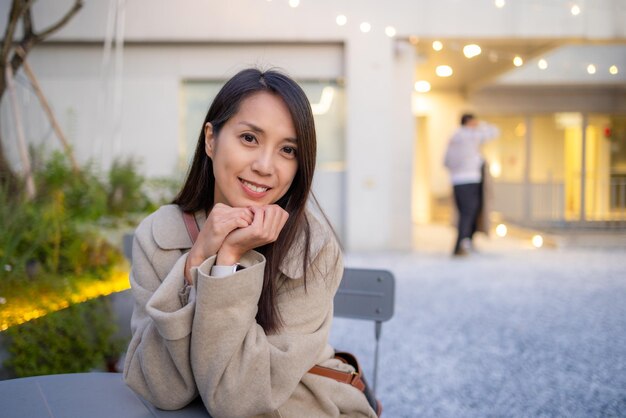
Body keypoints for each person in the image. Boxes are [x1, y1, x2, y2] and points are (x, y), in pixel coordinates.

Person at [123, 68, 378, 418]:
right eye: (249, 138)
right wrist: (197, 260)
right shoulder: (159, 234)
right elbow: (161, 388)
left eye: (287, 149)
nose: (264, 166)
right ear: (211, 140)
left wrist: (227, 260)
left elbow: (238, 401)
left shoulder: (313, 249)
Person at [444, 113, 499, 256]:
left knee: (464, 213)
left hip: (457, 181)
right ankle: (463, 244)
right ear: (469, 122)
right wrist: (481, 125)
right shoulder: (470, 135)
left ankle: (463, 243)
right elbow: (495, 132)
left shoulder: (454, 137)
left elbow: (446, 162)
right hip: (470, 180)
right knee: (469, 213)